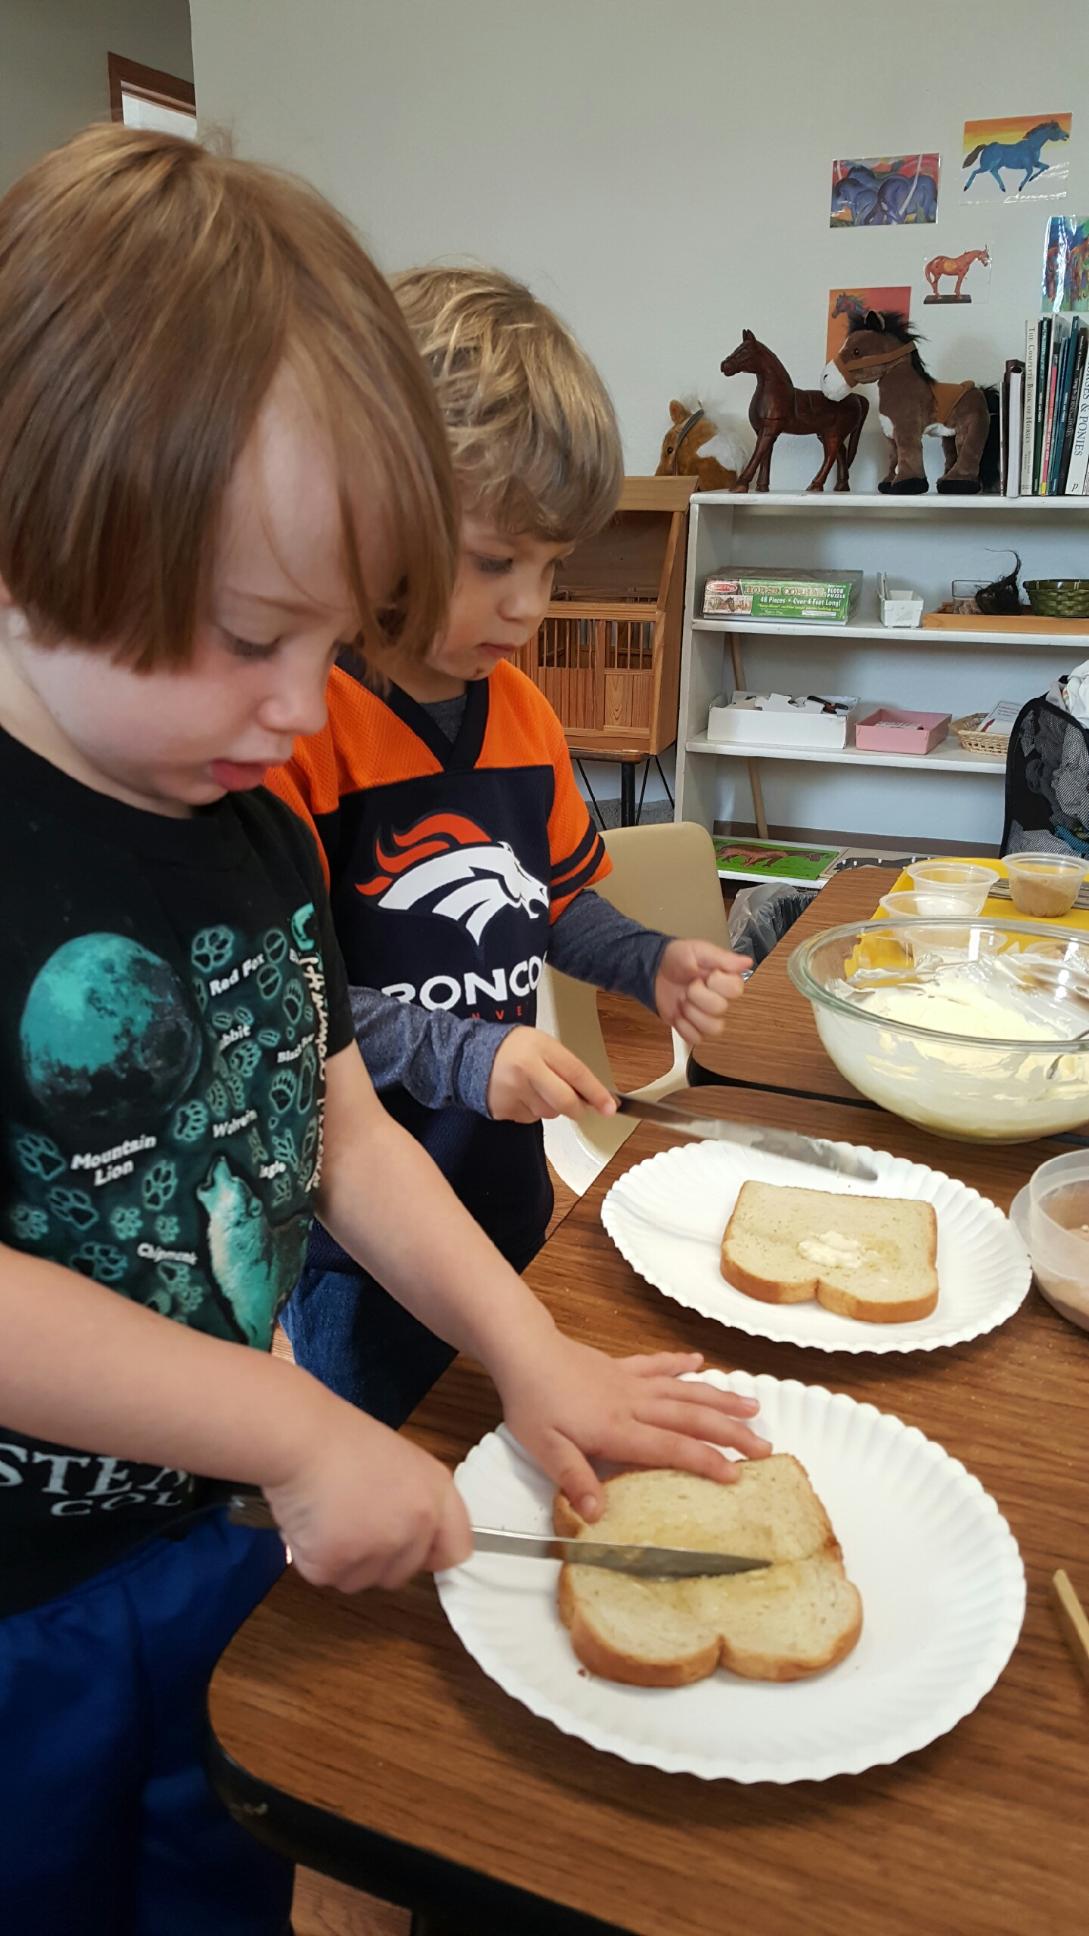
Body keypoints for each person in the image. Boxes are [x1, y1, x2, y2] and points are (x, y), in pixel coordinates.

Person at [0, 128, 768, 1935]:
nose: (304, 708)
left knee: (226, 1861)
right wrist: (287, 1420)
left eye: (336, 638)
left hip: (222, 1528)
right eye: (253, 634)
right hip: (28, 1604)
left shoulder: (247, 818)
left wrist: (526, 1347)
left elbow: (339, 1130)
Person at [269, 268, 751, 1424]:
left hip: (507, 1200)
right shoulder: (294, 729)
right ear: (374, 512)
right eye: (496, 562)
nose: (531, 605)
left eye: (553, 568)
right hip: (361, 1259)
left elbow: (553, 901)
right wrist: (468, 1055)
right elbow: (298, 1012)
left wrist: (647, 961)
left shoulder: (525, 714)